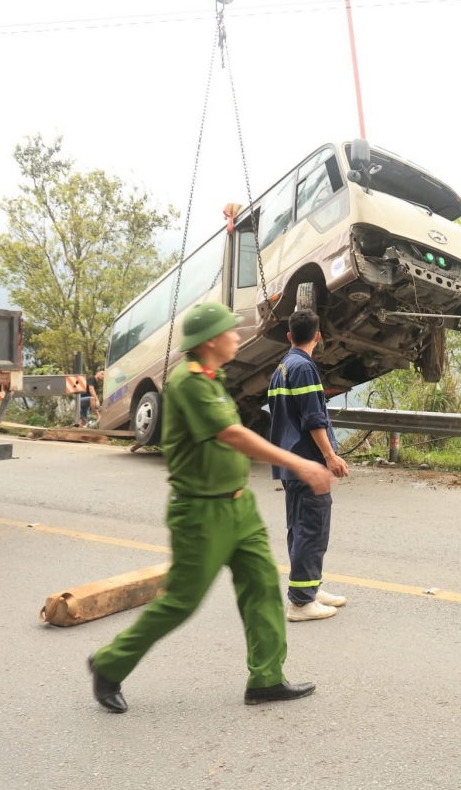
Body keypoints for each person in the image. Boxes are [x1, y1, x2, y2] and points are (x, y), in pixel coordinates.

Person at [87, 302, 334, 713]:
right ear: (210, 341)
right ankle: (110, 664)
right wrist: (301, 463)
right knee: (181, 601)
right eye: (230, 331)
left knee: (262, 589)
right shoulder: (189, 381)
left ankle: (267, 678)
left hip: (238, 505)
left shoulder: (213, 376)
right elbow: (232, 434)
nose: (237, 337)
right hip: (202, 513)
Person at [267, 309, 350, 622]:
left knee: (300, 527)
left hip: (291, 461)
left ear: (289, 336)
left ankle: (309, 587)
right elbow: (313, 418)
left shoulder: (283, 367)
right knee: (312, 529)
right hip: (306, 461)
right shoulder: (303, 367)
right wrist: (330, 456)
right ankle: (301, 602)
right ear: (318, 336)